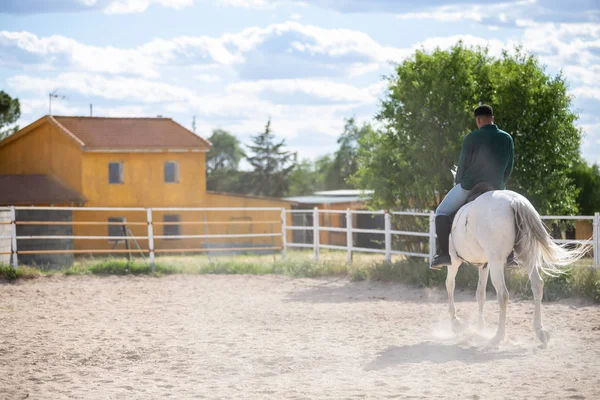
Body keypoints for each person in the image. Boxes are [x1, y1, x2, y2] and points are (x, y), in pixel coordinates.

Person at [430, 104, 516, 269]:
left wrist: (460, 183)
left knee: (441, 212)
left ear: (478, 120)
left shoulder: (472, 137)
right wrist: (500, 184)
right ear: (493, 118)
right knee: (513, 214)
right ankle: (511, 255)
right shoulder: (507, 138)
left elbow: (462, 166)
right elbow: (509, 167)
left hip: (470, 185)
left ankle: (443, 255)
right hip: (496, 187)